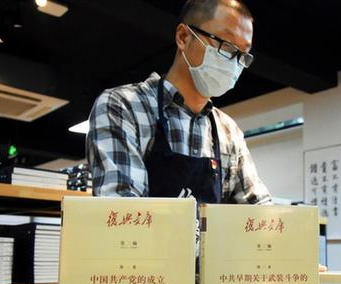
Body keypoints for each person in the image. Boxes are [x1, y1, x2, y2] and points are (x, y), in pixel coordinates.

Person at [86, 0, 271, 205]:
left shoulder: (228, 131)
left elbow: (258, 209)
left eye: (242, 54)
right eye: (226, 45)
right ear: (183, 37)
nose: (234, 62)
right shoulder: (122, 106)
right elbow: (123, 209)